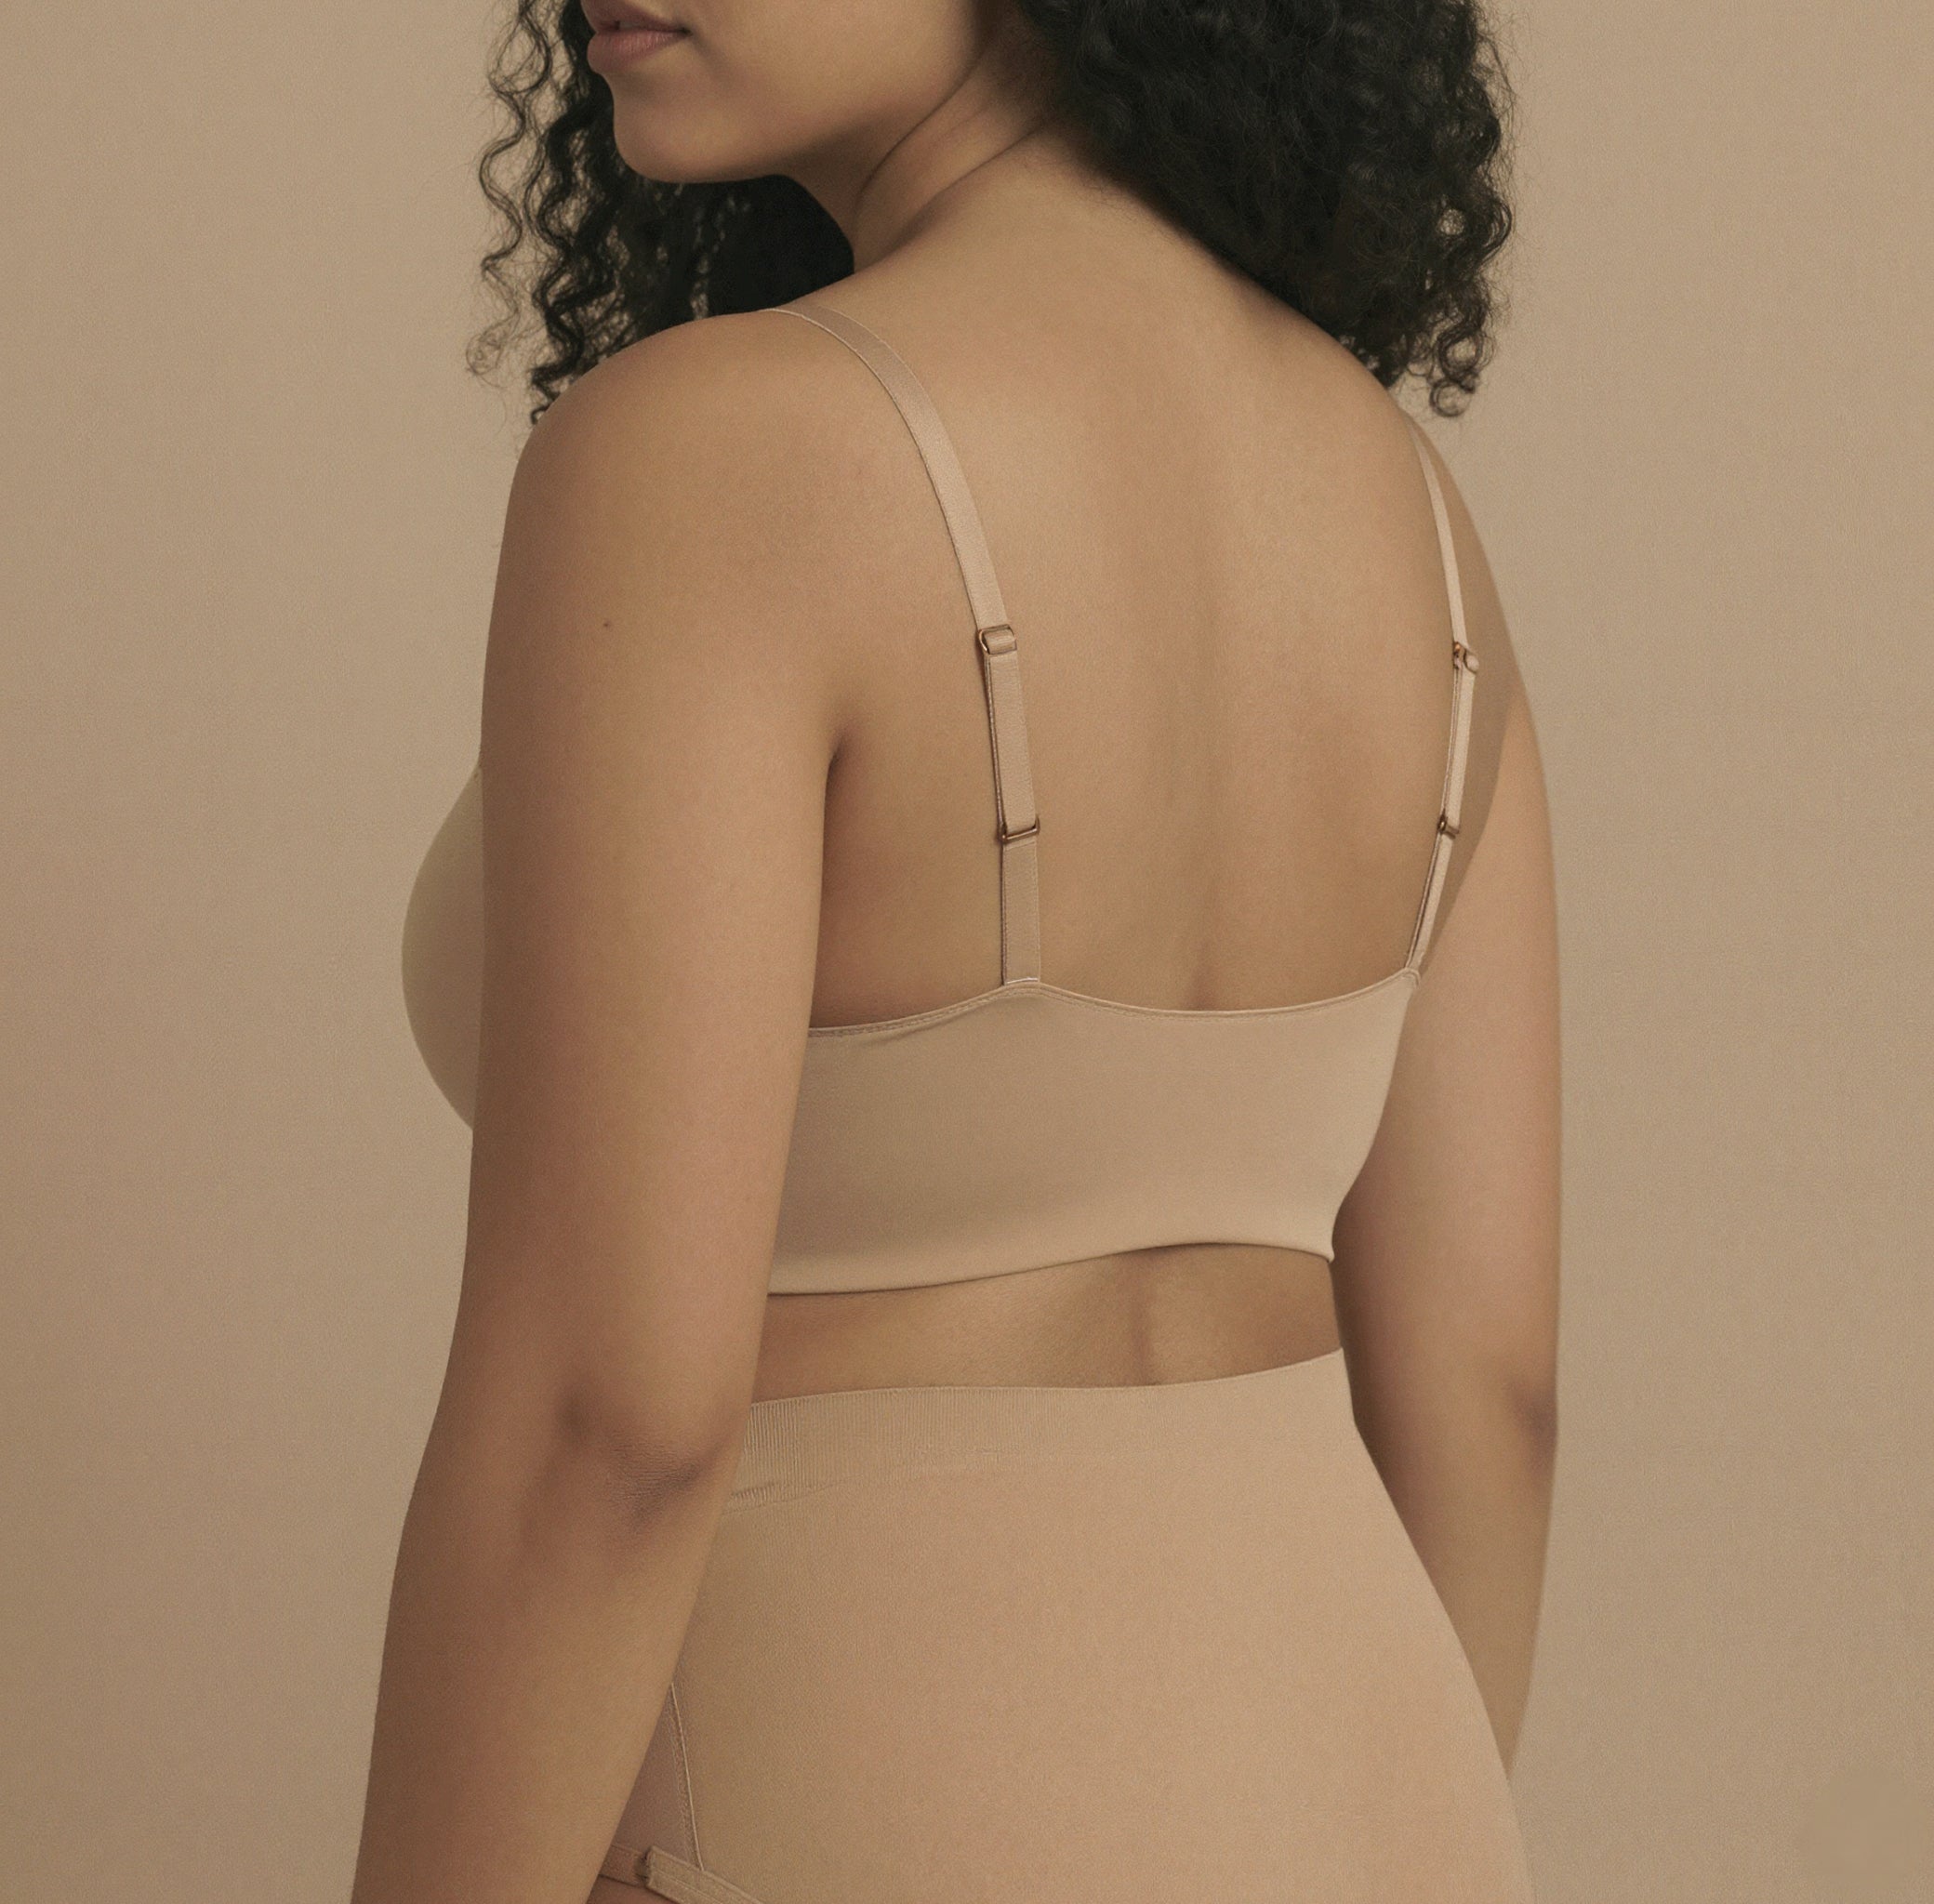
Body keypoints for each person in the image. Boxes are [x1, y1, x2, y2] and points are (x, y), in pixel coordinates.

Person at [369, 1, 1559, 1898]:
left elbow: (613, 1422)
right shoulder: (1405, 510)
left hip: (845, 1787)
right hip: (1374, 1786)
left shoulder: (714, 454)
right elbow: (1486, 1379)